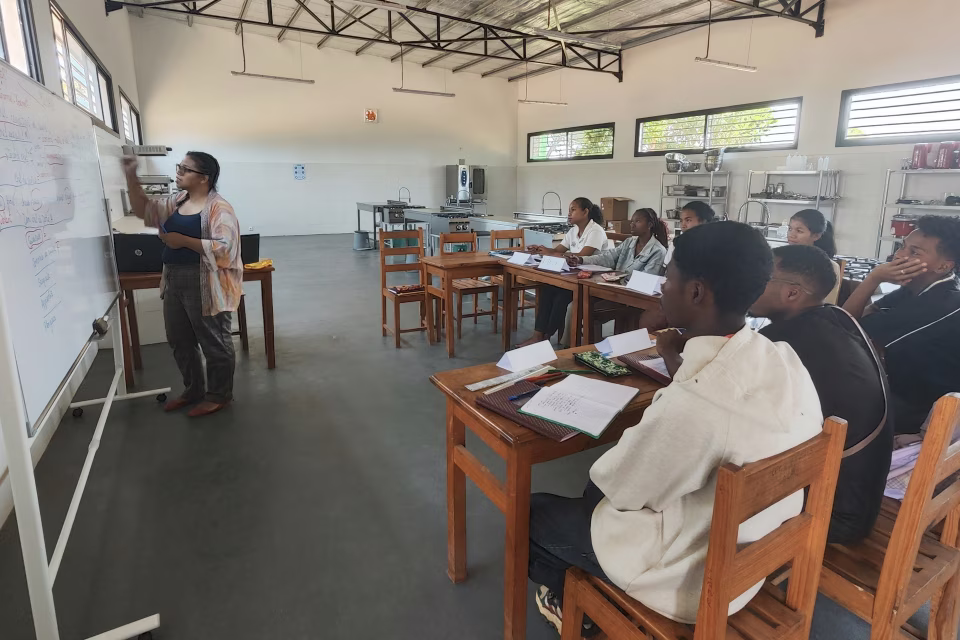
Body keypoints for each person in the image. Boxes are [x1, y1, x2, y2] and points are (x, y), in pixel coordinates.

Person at [528, 222, 822, 635]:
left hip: (690, 581)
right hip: (755, 558)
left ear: (696, 292)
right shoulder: (783, 359)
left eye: (669, 277)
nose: (663, 288)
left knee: (532, 513)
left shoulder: (696, 404)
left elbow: (621, 489)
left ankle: (576, 604)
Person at [750, 244, 893, 544]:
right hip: (861, 500)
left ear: (792, 293)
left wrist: (671, 352)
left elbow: (716, 398)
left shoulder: (781, 341)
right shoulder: (837, 318)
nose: (749, 283)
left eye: (761, 278)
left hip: (831, 512)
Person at [122, 152, 243, 417]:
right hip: (174, 277)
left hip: (205, 280)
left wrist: (183, 240)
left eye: (185, 169)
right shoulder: (179, 200)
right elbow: (145, 212)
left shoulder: (219, 208)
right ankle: (193, 389)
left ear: (204, 179)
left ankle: (219, 395)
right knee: (179, 339)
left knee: (214, 340)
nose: (179, 172)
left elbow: (226, 249)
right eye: (180, 167)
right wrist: (131, 176)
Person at [844, 215, 960, 434]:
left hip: (923, 412)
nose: (899, 255)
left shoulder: (940, 304)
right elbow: (853, 321)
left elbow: (844, 331)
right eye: (903, 246)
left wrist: (873, 278)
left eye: (914, 252)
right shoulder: (912, 290)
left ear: (943, 265)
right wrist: (874, 280)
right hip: (905, 391)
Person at [517, 197, 609, 347]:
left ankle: (546, 337)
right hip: (572, 276)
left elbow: (582, 256)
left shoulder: (595, 231)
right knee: (547, 290)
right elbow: (558, 250)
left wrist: (550, 253)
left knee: (561, 297)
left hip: (591, 280)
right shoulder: (573, 231)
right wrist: (541, 249)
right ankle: (537, 335)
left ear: (585, 212)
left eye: (573, 210)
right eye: (569, 210)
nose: (569, 213)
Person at [567, 207, 667, 274]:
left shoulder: (658, 251)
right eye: (632, 221)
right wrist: (581, 260)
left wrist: (618, 277)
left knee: (575, 306)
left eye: (637, 221)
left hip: (634, 298)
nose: (632, 224)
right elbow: (607, 257)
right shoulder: (629, 242)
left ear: (649, 225)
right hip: (615, 290)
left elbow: (645, 280)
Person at [787, 209, 842, 303]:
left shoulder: (829, 266)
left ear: (816, 236)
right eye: (790, 229)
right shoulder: (782, 258)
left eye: (799, 231)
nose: (791, 235)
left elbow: (828, 304)